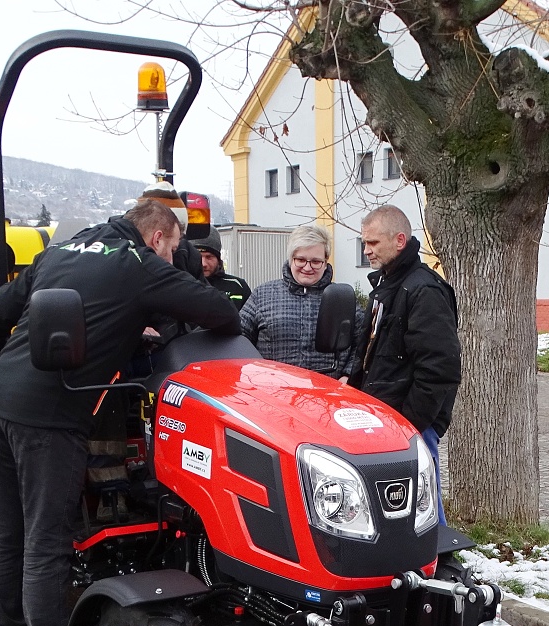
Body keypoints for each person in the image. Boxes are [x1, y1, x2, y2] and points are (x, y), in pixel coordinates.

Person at [0, 197, 239, 626]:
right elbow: (221, 312)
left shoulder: (64, 250)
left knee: (5, 531)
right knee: (47, 544)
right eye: (175, 249)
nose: (172, 257)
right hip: (49, 419)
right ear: (161, 237)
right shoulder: (137, 264)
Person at [356, 205, 460, 504]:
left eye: (373, 243)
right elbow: (371, 352)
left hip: (409, 426)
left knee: (423, 507)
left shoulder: (424, 290)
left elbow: (440, 367)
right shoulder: (387, 284)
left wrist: (411, 423)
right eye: (365, 243)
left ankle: (438, 552)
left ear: (399, 240)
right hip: (384, 420)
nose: (367, 251)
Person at [238, 223, 365, 377]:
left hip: (329, 392)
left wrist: (347, 375)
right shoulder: (263, 295)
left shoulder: (341, 298)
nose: (307, 267)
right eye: (301, 260)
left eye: (316, 261)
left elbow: (362, 343)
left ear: (325, 262)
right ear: (291, 259)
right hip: (274, 391)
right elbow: (239, 340)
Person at [192, 226, 251, 311]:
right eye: (198, 257)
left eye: (209, 257)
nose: (203, 264)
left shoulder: (237, 286)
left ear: (218, 259)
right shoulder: (180, 286)